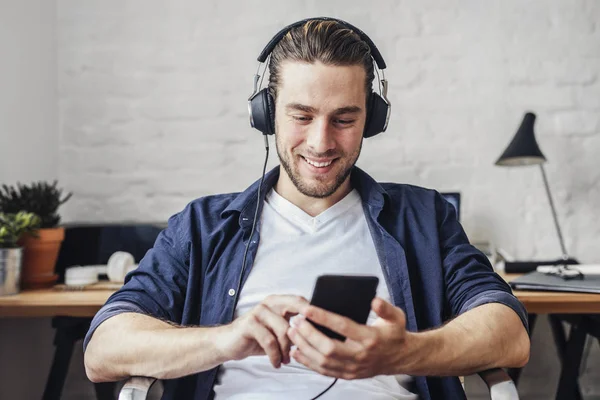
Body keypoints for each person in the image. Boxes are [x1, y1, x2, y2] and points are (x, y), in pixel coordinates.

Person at [84, 17, 530, 400]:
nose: (321, 142)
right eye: (301, 116)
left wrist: (404, 353)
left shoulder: (424, 217)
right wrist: (227, 340)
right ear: (266, 114)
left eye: (344, 119)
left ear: (371, 120)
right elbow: (104, 350)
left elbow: (510, 334)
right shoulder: (201, 227)